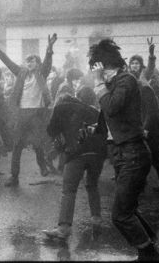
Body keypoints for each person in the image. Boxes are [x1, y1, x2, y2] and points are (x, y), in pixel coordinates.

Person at [86, 39, 159, 261]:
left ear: (105, 66)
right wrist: (96, 128)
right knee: (128, 209)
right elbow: (110, 116)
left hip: (133, 153)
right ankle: (150, 247)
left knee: (120, 215)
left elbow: (111, 106)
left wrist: (98, 82)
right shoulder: (115, 83)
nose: (99, 75)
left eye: (99, 69)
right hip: (122, 153)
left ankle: (150, 254)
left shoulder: (126, 80)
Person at [0, 34, 57, 186]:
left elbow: (48, 63)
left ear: (38, 63)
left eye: (32, 60)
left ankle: (42, 165)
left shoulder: (42, 73)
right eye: (27, 60)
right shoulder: (21, 73)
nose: (29, 62)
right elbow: (9, 62)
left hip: (37, 113)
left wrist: (49, 48)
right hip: (22, 113)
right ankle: (14, 177)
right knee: (17, 145)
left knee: (38, 142)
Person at [42, 86, 106, 239]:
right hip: (98, 153)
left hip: (77, 152)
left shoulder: (60, 107)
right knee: (92, 185)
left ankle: (64, 228)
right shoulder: (92, 110)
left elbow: (51, 131)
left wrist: (60, 145)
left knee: (69, 190)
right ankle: (96, 218)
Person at [128, 40, 159, 194]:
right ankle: (149, 181)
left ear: (141, 66)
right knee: (147, 155)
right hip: (141, 123)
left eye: (137, 63)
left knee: (152, 155)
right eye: (132, 63)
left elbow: (150, 111)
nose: (134, 66)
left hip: (150, 124)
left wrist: (151, 55)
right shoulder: (129, 80)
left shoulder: (143, 83)